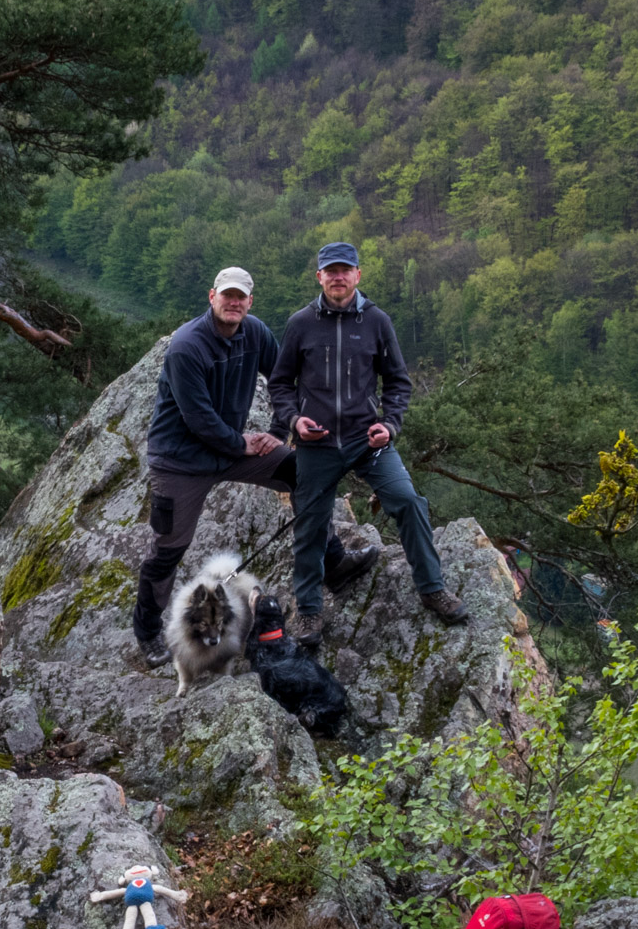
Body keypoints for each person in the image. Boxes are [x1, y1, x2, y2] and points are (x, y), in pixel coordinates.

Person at [134, 266, 379, 666]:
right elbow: (198, 418)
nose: (233, 302)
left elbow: (284, 379)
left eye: (240, 296)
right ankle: (146, 631)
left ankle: (332, 562)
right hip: (181, 460)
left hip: (233, 449)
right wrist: (242, 442)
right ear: (211, 297)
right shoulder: (186, 347)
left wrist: (279, 430)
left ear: (250, 301)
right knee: (168, 548)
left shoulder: (256, 333)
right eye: (226, 295)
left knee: (303, 474)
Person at [270, 242, 467, 646]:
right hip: (317, 443)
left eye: (346, 270)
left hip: (367, 439)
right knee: (310, 524)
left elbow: (397, 381)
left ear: (358, 275)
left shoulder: (377, 321)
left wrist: (390, 426)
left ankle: (433, 590)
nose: (338, 277)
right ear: (319, 276)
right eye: (331, 271)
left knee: (408, 502)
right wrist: (294, 420)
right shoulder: (301, 323)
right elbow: (280, 383)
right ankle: (308, 613)